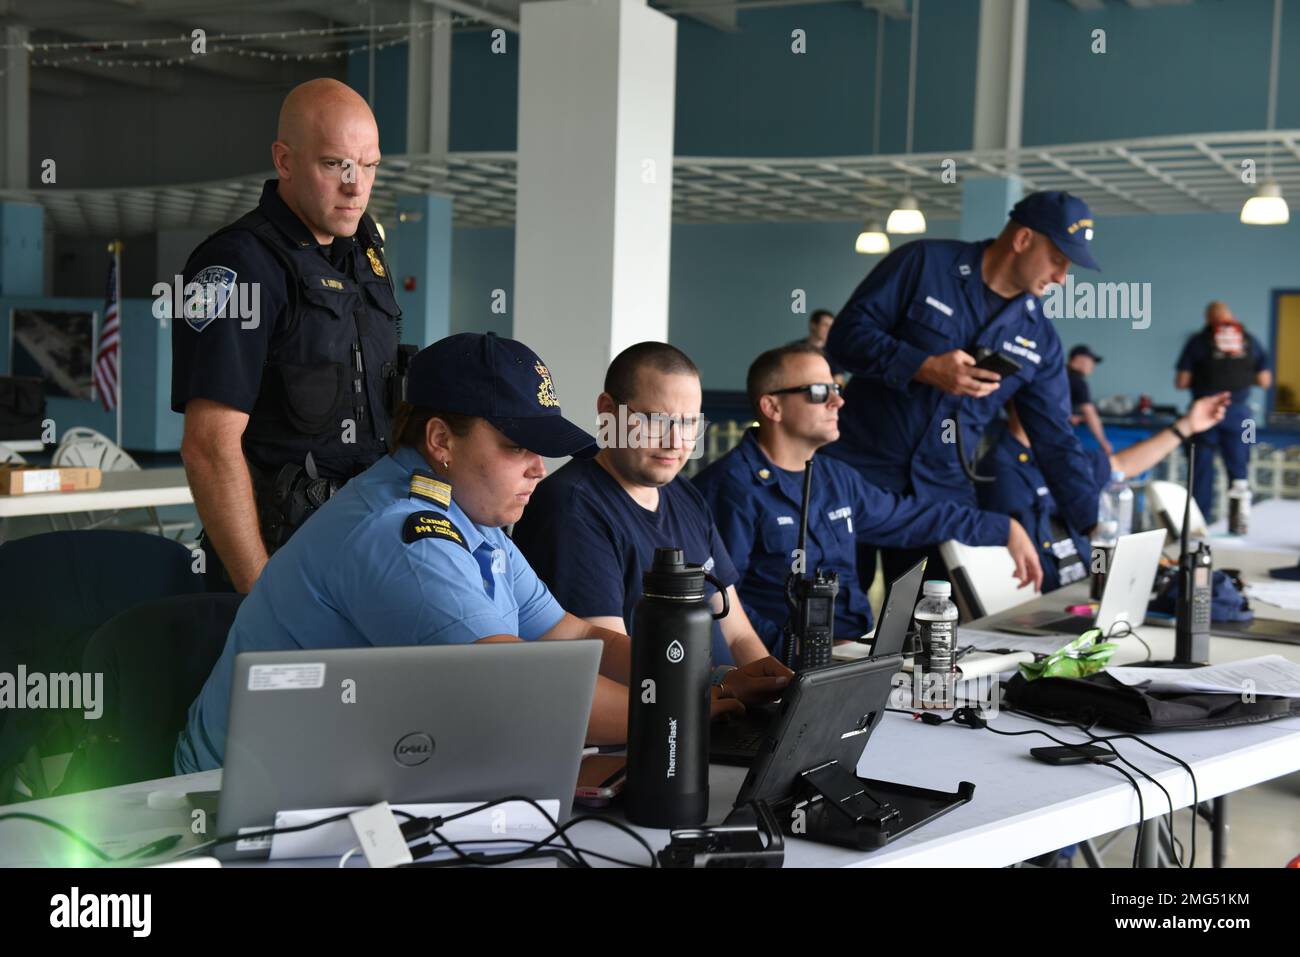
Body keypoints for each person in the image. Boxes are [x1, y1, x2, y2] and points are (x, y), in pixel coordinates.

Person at [175, 333, 766, 774]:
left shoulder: (472, 514)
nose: (540, 468)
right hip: (245, 802)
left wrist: (706, 674)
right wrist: (695, 706)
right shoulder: (405, 536)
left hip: (353, 774)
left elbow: (571, 637)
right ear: (439, 441)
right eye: (517, 446)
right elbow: (523, 691)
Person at [171, 78, 406, 594]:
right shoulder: (236, 265)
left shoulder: (364, 255)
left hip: (368, 548)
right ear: (284, 160)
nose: (356, 185)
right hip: (278, 560)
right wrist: (261, 596)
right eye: (334, 164)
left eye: (369, 166)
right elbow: (209, 446)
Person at [824, 190, 1105, 594]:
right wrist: (922, 366)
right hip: (858, 472)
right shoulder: (923, 264)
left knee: (930, 630)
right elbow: (845, 340)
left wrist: (1095, 527)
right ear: (1023, 239)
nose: (1062, 277)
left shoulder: (1038, 338)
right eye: (1058, 259)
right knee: (834, 616)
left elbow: (1055, 439)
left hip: (940, 495)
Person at [693, 343, 1042, 653]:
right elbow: (719, 600)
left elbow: (912, 517)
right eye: (818, 391)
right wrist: (804, 649)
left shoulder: (836, 477)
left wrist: (1004, 528)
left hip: (858, 654)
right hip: (782, 665)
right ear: (772, 407)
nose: (838, 400)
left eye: (836, 387)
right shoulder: (731, 488)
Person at [510, 342, 795, 699]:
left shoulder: (685, 495)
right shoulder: (571, 508)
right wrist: (723, 688)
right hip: (652, 723)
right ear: (608, 412)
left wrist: (777, 701)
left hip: (718, 707)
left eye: (690, 423)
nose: (676, 442)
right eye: (656, 421)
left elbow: (736, 631)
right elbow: (609, 665)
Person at [978, 392, 1231, 592]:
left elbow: (1121, 466)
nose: (1066, 407)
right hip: (1055, 598)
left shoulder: (1061, 455)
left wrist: (1186, 426)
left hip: (1092, 586)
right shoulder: (1000, 471)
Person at [1175, 301, 1272, 520]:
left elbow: (1181, 382)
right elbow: (1265, 381)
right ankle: (1241, 520)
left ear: (1207, 319)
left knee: (1199, 471)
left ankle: (1199, 525)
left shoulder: (1197, 342)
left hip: (1203, 413)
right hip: (1244, 417)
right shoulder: (1251, 341)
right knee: (1241, 471)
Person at [1066, 344, 1112, 455]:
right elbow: (1090, 413)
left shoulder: (1056, 374)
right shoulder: (1078, 382)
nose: (1093, 365)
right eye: (1091, 361)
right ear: (1078, 358)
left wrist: (1066, 417)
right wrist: (1103, 442)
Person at [803, 309, 846, 384]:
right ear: (813, 325)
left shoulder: (835, 352)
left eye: (831, 326)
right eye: (825, 325)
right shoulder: (794, 349)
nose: (829, 329)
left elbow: (838, 381)